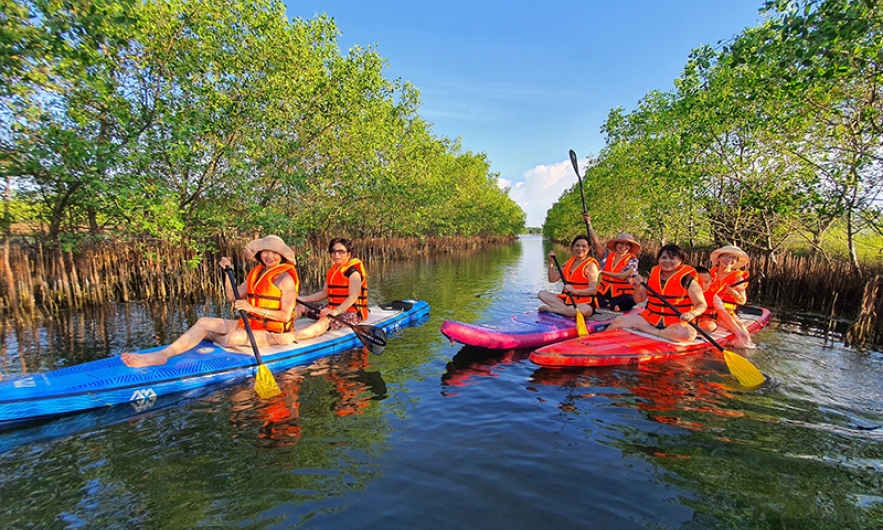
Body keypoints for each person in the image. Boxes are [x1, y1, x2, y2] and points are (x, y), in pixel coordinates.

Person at [121, 235, 300, 368]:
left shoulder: (286, 279)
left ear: (282, 255)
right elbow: (233, 296)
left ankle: (212, 336)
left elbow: (285, 316)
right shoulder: (256, 273)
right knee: (203, 321)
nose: (269, 256)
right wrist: (227, 272)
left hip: (273, 331)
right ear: (259, 255)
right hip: (250, 325)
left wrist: (252, 307)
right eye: (265, 252)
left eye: (274, 253)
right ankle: (161, 354)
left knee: (233, 338)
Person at [270, 237, 368, 344]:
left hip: (351, 313)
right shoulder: (332, 271)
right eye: (333, 251)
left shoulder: (354, 273)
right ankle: (281, 327)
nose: (336, 254)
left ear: (349, 254)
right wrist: (301, 299)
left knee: (325, 320)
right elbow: (323, 293)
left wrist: (335, 312)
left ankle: (293, 336)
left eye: (341, 251)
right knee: (302, 306)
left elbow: (353, 297)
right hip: (332, 309)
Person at [607, 244, 707, 342]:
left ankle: (654, 332)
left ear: (680, 261)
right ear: (658, 260)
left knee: (688, 334)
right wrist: (637, 287)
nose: (667, 261)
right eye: (664, 258)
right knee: (619, 320)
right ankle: (594, 345)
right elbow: (639, 299)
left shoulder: (687, 279)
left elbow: (701, 304)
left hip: (675, 322)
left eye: (672, 258)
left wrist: (692, 314)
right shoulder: (653, 275)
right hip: (651, 318)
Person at [582, 213, 640, 312]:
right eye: (621, 243)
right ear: (616, 244)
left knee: (631, 299)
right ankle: (610, 305)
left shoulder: (632, 260)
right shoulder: (609, 256)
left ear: (630, 247)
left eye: (627, 244)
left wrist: (602, 272)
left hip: (622, 294)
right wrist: (589, 224)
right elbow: (596, 243)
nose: (623, 246)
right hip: (605, 291)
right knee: (590, 294)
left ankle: (610, 303)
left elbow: (623, 276)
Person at [537, 235, 599, 318]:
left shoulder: (591, 266)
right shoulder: (568, 263)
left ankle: (554, 310)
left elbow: (592, 290)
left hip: (584, 303)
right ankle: (567, 310)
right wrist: (551, 263)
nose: (580, 248)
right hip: (566, 300)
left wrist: (575, 291)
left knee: (584, 309)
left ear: (589, 248)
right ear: (573, 247)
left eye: (584, 246)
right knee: (542, 294)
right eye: (577, 245)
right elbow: (552, 279)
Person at [694, 266, 752, 348]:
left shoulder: (714, 296)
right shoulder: (682, 291)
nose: (702, 286)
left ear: (711, 282)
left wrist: (738, 332)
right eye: (698, 282)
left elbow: (723, 312)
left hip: (711, 317)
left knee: (712, 326)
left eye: (706, 282)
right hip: (684, 322)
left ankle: (745, 342)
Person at [708, 245, 754, 347]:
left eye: (733, 258)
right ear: (719, 258)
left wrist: (734, 292)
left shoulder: (738, 278)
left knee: (741, 328)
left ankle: (746, 345)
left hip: (725, 312)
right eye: (726, 256)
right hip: (708, 309)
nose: (729, 259)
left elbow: (742, 301)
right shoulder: (710, 274)